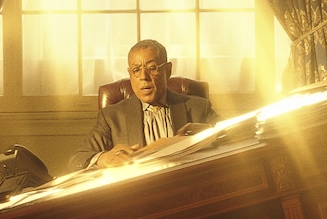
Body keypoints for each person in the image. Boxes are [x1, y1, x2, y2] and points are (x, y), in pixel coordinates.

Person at [68, 39, 218, 170]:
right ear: (130, 74)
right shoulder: (112, 117)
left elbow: (232, 136)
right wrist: (103, 159)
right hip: (136, 195)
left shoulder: (198, 108)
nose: (143, 77)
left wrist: (209, 133)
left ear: (168, 70)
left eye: (152, 68)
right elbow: (77, 160)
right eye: (136, 70)